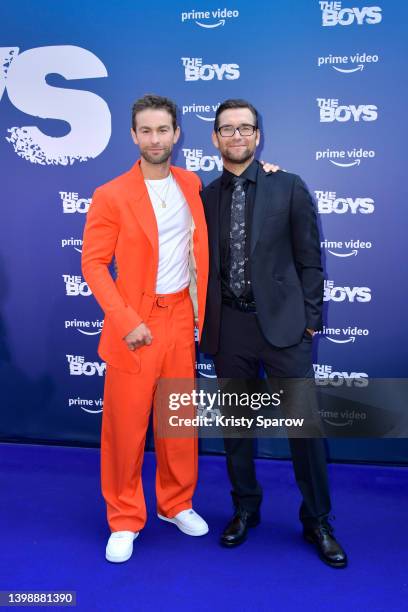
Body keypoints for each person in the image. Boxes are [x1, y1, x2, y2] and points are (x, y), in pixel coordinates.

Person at [199, 99, 347, 568]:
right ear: (215, 138)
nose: (237, 135)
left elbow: (310, 259)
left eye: (246, 128)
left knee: (305, 431)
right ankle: (245, 508)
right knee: (238, 430)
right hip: (230, 327)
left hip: (285, 328)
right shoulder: (204, 196)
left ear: (258, 136)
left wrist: (310, 322)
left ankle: (318, 520)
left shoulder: (289, 186)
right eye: (227, 128)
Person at [82, 94, 210, 563]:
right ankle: (123, 517)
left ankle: (175, 503)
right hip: (135, 324)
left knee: (178, 421)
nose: (155, 139)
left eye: (163, 130)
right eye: (146, 131)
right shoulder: (111, 194)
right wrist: (127, 321)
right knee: (126, 426)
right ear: (134, 136)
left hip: (181, 318)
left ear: (177, 134)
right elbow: (94, 264)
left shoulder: (191, 183)